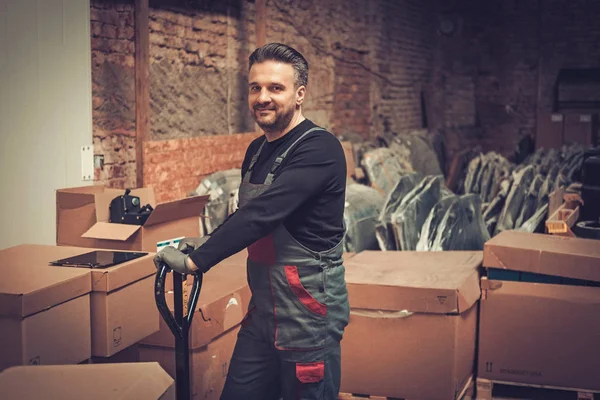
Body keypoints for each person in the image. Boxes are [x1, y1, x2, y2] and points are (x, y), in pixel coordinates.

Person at [153, 42, 350, 400]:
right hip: (263, 313)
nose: (263, 97)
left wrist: (198, 259)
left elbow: (264, 212)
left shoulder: (319, 149)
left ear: (300, 93)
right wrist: (206, 241)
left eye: (276, 88)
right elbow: (247, 214)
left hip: (306, 316)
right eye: (256, 87)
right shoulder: (257, 149)